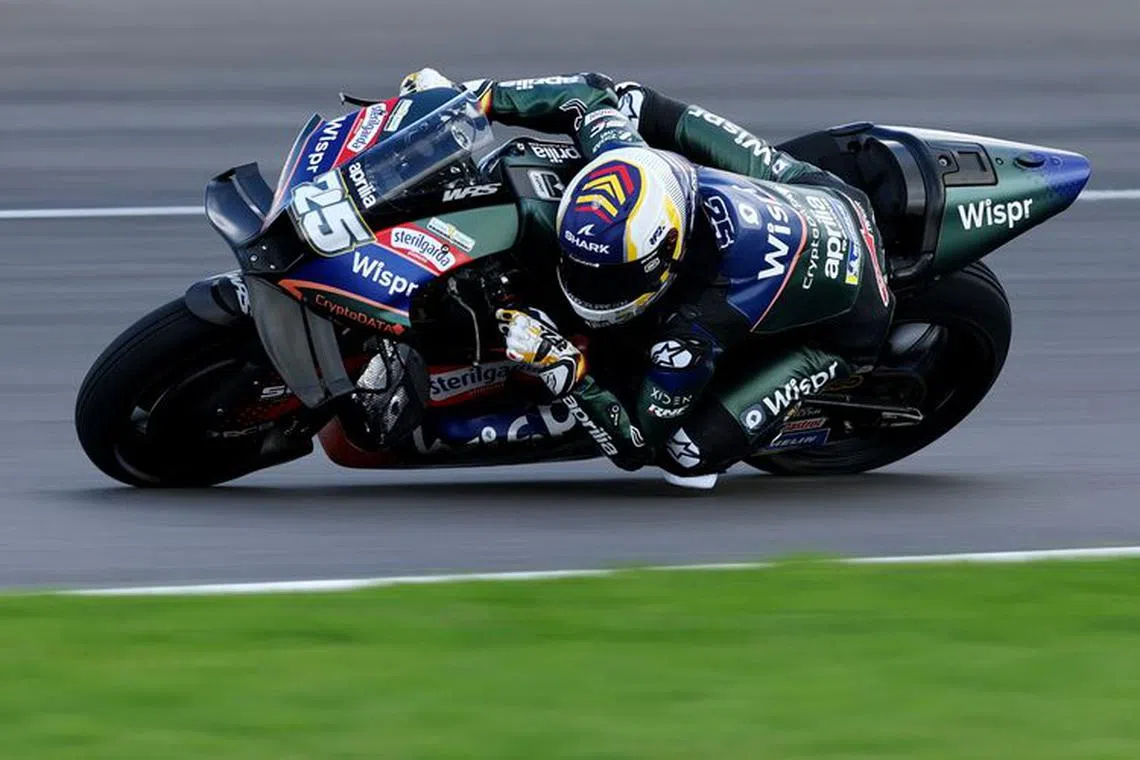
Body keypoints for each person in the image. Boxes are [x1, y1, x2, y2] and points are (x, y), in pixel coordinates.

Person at [401, 69, 895, 489]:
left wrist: (566, 369)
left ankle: (795, 403)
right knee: (635, 102)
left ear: (665, 257)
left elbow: (637, 442)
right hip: (805, 194)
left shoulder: (698, 326)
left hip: (849, 316)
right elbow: (590, 93)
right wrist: (470, 101)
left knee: (685, 458)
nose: (586, 288)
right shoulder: (617, 154)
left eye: (608, 281)